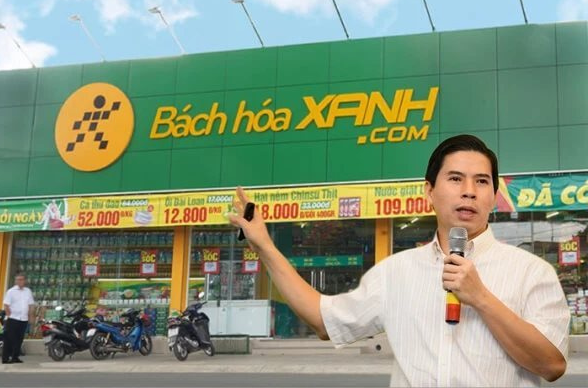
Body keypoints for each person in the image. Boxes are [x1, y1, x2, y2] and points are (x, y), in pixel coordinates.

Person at [229, 134, 569, 387]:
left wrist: (481, 298)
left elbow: (552, 365)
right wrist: (264, 245)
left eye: (481, 181)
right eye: (455, 179)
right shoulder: (397, 272)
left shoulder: (531, 272)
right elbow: (322, 320)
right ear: (429, 191)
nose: (469, 190)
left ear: (493, 197)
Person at [1, 273, 35, 364]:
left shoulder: (28, 291)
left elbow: (31, 305)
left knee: (19, 339)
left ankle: (15, 357)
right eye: (18, 280)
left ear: (25, 281)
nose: (19, 281)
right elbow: (6, 305)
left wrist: (31, 316)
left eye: (21, 279)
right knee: (9, 339)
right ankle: (5, 358)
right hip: (13, 318)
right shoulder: (11, 291)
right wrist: (9, 315)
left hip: (23, 319)